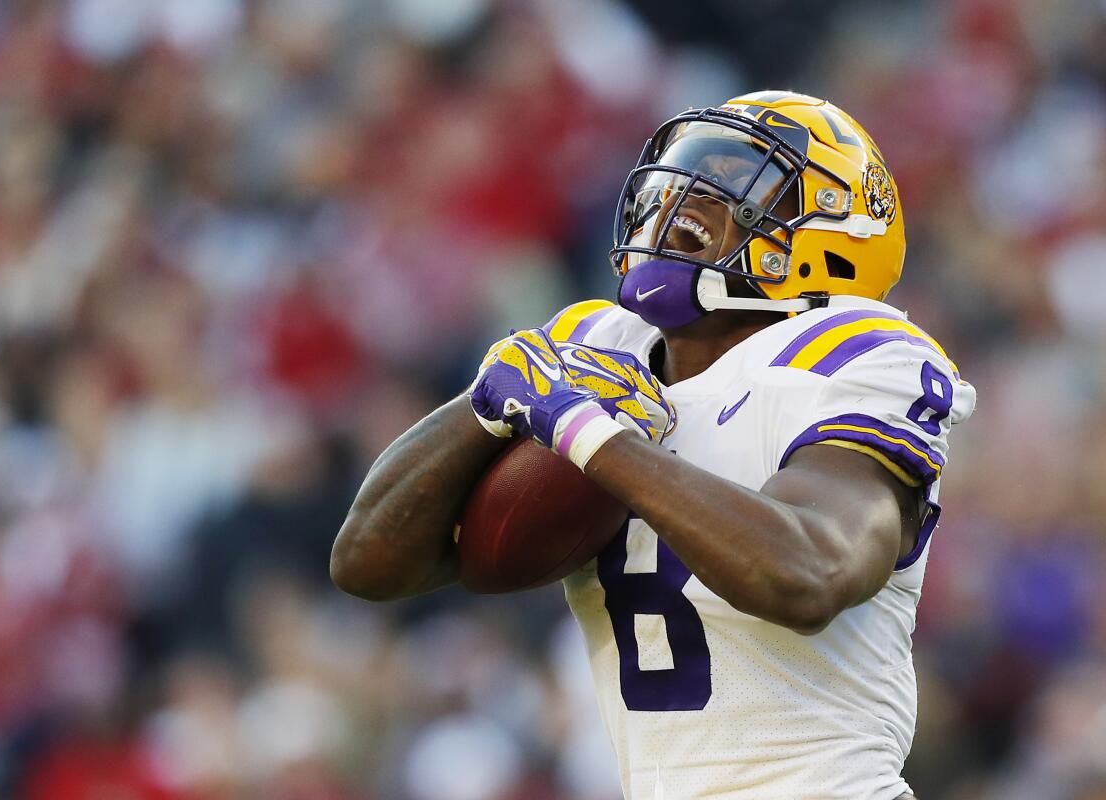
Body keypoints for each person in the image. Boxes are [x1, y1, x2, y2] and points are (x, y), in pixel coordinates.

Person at [330, 91, 975, 800]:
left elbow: (808, 573)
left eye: (735, 178)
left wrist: (586, 433)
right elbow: (366, 563)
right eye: (679, 175)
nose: (681, 199)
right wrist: (486, 404)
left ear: (829, 234)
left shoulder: (854, 357)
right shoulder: (597, 346)